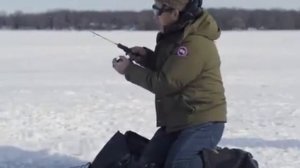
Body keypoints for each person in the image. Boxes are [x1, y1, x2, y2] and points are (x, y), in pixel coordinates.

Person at [112, 0, 227, 168]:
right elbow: (171, 68)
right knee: (148, 163)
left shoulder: (194, 43)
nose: (155, 15)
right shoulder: (175, 36)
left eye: (158, 9)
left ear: (175, 13)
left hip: (202, 121)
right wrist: (145, 58)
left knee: (180, 164)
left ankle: (228, 162)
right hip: (179, 119)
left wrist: (129, 70)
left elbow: (166, 83)